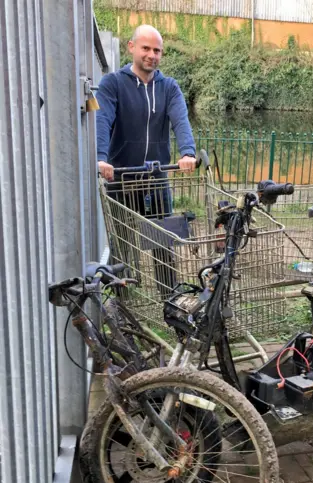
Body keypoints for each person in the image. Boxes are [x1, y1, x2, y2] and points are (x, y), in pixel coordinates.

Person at [96, 24, 197, 297]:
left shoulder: (169, 88)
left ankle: (170, 302)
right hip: (121, 179)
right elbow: (102, 119)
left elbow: (180, 120)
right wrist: (101, 158)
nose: (152, 55)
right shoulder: (113, 84)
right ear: (131, 47)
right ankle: (125, 304)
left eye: (157, 50)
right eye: (146, 48)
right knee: (123, 247)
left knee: (163, 244)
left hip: (156, 179)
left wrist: (188, 152)